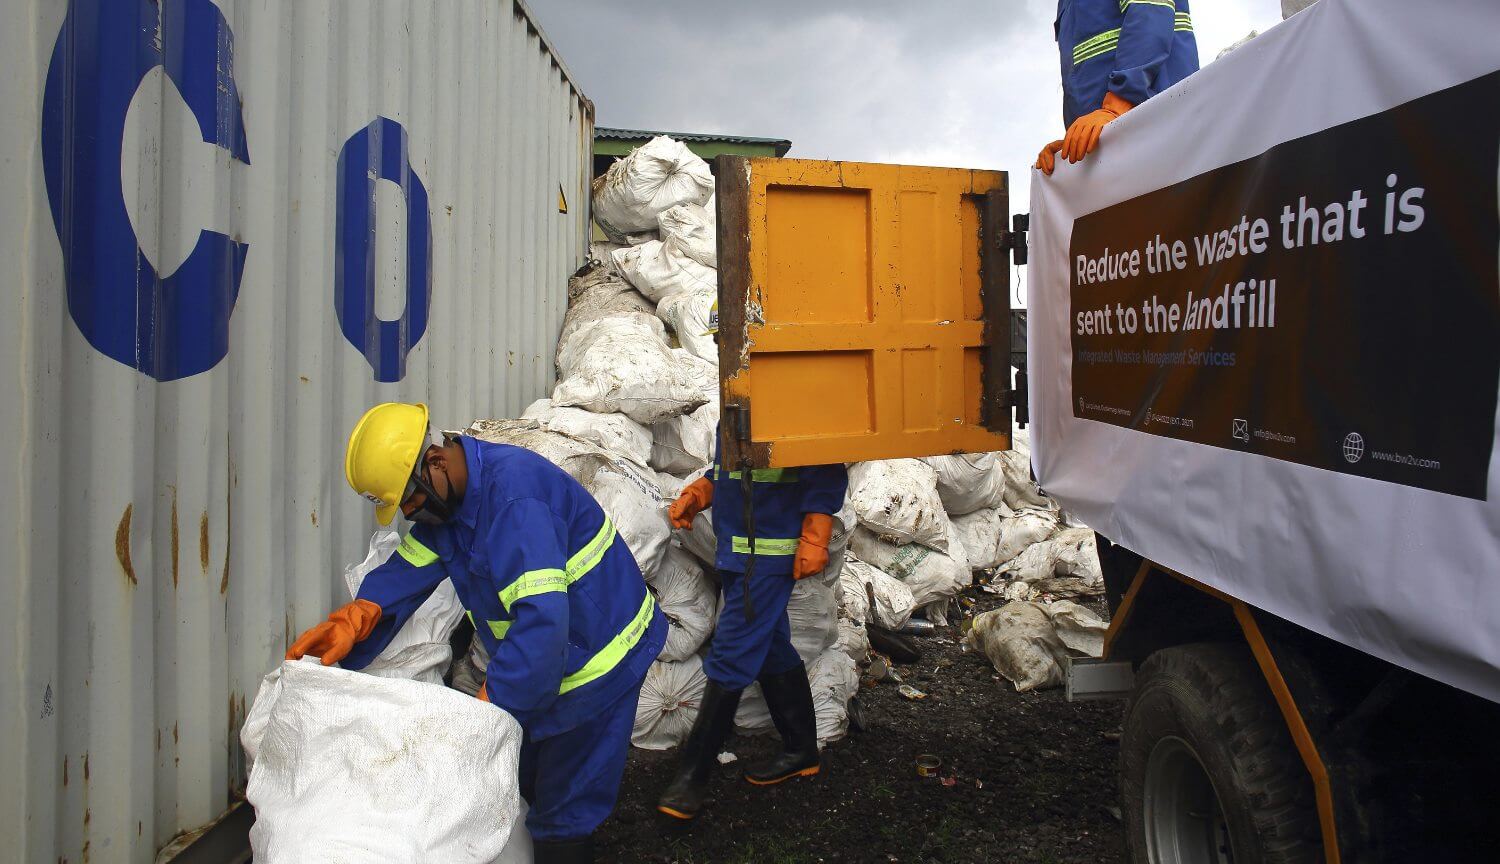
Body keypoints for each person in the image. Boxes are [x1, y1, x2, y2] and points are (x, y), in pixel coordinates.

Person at [286, 402, 666, 864]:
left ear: (436, 462)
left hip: (603, 661)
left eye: (410, 498)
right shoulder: (450, 505)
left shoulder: (515, 502)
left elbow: (542, 626)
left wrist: (491, 706)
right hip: (559, 655)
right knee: (525, 779)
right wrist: (360, 615)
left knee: (563, 808)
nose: (408, 511)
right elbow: (410, 567)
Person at [654, 307, 849, 820]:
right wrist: (701, 491)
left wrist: (815, 533)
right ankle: (801, 750)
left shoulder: (795, 402)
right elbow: (730, 472)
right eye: (720, 341)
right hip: (738, 553)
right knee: (770, 647)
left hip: (768, 556)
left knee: (732, 652)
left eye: (730, 341)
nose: (724, 351)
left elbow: (824, 468)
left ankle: (692, 776)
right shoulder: (736, 403)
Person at [1035, 0, 1200, 175]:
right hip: (1119, 142)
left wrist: (1118, 104)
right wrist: (1074, 142)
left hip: (1161, 129)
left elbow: (1149, 13)